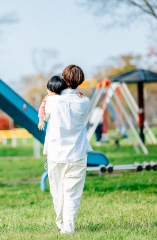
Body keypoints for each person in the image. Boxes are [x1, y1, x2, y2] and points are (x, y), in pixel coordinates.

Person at [43, 65, 92, 234]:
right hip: (78, 153)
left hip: (56, 154)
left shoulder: (51, 100)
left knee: (57, 192)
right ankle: (68, 227)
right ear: (80, 81)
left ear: (63, 78)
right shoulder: (84, 101)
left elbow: (46, 116)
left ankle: (61, 222)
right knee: (73, 193)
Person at [37, 75, 83, 170]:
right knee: (51, 144)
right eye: (49, 90)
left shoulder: (62, 97)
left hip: (65, 126)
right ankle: (48, 160)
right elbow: (42, 108)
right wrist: (41, 120)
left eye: (52, 92)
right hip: (55, 127)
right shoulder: (48, 98)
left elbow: (73, 96)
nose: (49, 93)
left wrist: (78, 95)